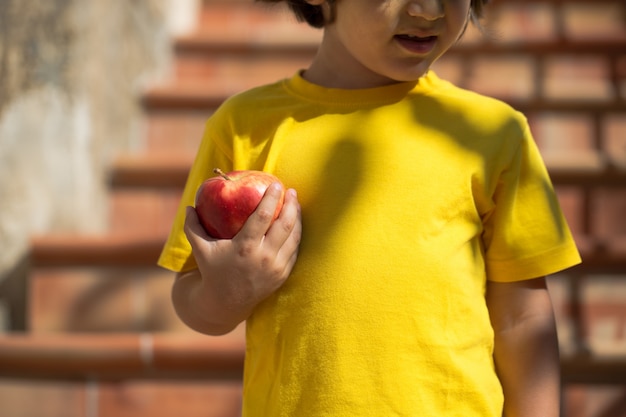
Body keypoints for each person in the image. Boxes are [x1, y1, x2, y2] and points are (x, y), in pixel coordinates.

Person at [158, 0, 582, 415]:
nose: (428, 9)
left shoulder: (494, 134)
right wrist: (226, 292)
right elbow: (192, 300)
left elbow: (523, 322)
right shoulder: (244, 126)